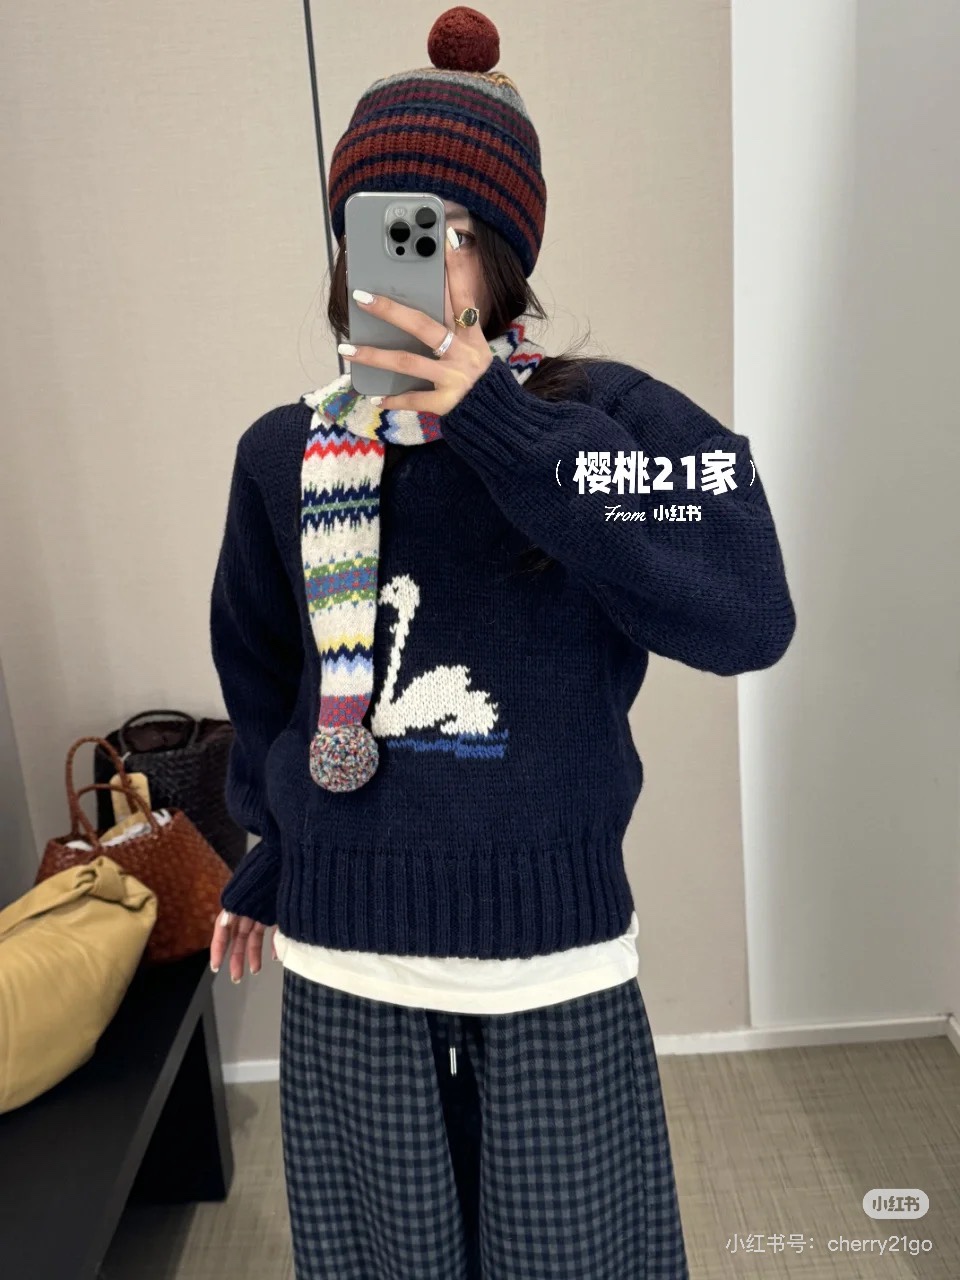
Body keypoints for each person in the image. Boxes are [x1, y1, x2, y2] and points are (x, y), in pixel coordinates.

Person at [208, 7, 796, 1278]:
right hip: (346, 956)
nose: (425, 263)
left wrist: (502, 429)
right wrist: (276, 845)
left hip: (550, 958)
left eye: (458, 231)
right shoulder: (281, 453)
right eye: (390, 226)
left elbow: (749, 615)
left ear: (509, 257)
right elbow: (267, 684)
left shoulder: (609, 418)